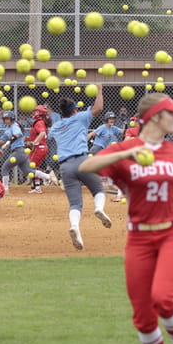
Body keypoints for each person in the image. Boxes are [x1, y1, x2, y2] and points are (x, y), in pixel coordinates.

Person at [78, 92, 173, 344]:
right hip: (139, 239)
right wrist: (126, 154)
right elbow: (85, 167)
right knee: (144, 320)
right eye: (171, 112)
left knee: (163, 299)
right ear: (155, 116)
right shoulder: (125, 149)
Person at [47, 85, 113, 251]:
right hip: (82, 160)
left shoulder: (55, 127)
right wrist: (99, 90)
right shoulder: (80, 118)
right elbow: (98, 108)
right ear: (74, 111)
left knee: (75, 204)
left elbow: (50, 131)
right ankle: (99, 208)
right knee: (98, 190)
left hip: (65, 167)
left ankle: (75, 226)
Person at [0, 110, 54, 193]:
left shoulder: (14, 126)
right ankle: (49, 176)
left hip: (19, 151)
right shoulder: (8, 128)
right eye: (5, 119)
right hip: (21, 152)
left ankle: (5, 190)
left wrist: (9, 142)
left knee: (5, 168)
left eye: (8, 119)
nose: (6, 121)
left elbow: (17, 134)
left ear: (12, 119)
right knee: (29, 171)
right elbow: (2, 140)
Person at [27, 105, 52, 193]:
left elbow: (42, 133)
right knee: (34, 168)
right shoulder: (41, 122)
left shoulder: (39, 122)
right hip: (41, 148)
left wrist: (33, 143)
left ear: (41, 113)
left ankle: (49, 176)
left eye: (37, 111)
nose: (34, 113)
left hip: (39, 148)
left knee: (28, 167)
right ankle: (37, 187)